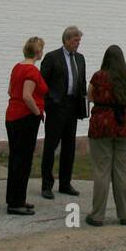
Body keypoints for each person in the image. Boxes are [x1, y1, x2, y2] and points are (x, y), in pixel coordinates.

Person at [85, 44, 126, 227]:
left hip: (103, 126)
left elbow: (90, 96)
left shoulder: (99, 76)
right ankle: (125, 214)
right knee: (122, 169)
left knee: (102, 170)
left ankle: (97, 215)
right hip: (125, 125)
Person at [38, 25, 87, 200]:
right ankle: (46, 185)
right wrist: (50, 100)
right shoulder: (52, 57)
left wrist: (83, 103)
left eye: (79, 41)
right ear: (66, 40)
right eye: (75, 41)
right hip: (57, 107)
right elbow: (42, 83)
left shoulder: (80, 59)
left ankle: (65, 183)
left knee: (69, 146)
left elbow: (82, 81)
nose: (77, 44)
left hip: (73, 107)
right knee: (51, 146)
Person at [5, 37, 48, 215]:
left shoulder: (17, 67)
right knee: (23, 161)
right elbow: (27, 95)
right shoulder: (31, 71)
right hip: (25, 118)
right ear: (38, 52)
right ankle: (16, 202)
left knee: (16, 158)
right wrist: (38, 113)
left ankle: (15, 198)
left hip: (12, 116)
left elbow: (10, 90)